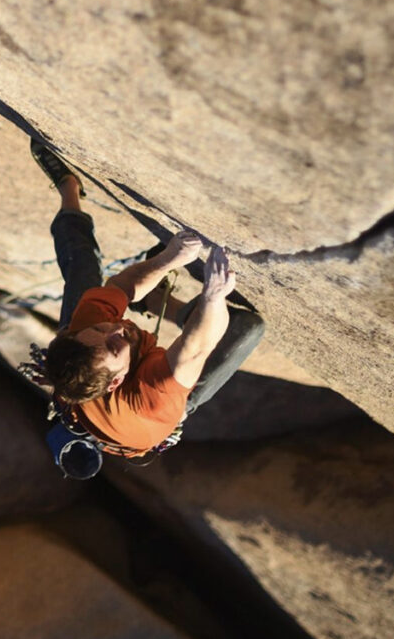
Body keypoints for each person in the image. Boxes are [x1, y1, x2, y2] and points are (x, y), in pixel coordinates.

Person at [28, 139, 265, 458]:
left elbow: (123, 285)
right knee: (247, 327)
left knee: (81, 267)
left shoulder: (87, 335)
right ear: (115, 383)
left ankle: (69, 188)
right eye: (114, 345)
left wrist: (169, 258)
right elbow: (196, 348)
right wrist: (213, 295)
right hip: (149, 419)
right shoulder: (151, 397)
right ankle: (157, 303)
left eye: (99, 331)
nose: (116, 330)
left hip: (84, 378)